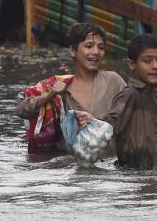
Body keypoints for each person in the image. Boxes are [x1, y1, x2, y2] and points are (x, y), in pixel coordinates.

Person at [16, 22, 126, 152]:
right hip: (71, 166)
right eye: (89, 46)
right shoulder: (59, 86)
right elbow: (21, 111)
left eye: (101, 47)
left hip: (109, 164)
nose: (96, 52)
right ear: (73, 51)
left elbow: (132, 115)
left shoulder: (113, 81)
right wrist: (49, 96)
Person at [77, 33, 157, 169]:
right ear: (131, 64)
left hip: (152, 173)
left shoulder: (156, 96)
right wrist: (93, 122)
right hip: (133, 177)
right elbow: (109, 124)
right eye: (147, 61)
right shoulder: (130, 95)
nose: (155, 66)